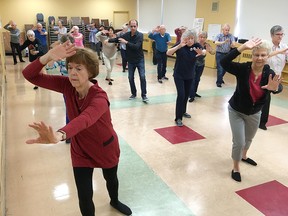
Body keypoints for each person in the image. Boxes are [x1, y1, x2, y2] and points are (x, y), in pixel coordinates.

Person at [22, 41, 132, 216]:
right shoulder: (67, 85)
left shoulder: (99, 97)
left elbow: (85, 119)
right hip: (80, 149)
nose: (72, 72)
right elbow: (30, 75)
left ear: (90, 72)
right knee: (84, 195)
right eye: (70, 67)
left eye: (79, 68)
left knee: (111, 179)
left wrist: (59, 135)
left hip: (105, 147)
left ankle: (115, 200)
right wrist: (47, 57)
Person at [220, 38, 282, 182]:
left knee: (249, 139)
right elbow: (224, 63)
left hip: (255, 113)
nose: (259, 58)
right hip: (236, 110)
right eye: (256, 55)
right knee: (239, 141)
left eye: (263, 55)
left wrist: (276, 88)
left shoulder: (269, 73)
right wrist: (241, 48)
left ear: (268, 56)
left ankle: (244, 156)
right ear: (252, 55)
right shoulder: (243, 69)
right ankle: (236, 167)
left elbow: (278, 86)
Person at [166, 29, 204, 127]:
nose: (190, 40)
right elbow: (168, 53)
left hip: (190, 75)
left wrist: (202, 53)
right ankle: (178, 117)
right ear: (185, 38)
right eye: (188, 38)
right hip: (179, 75)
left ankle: (183, 111)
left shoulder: (196, 46)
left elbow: (203, 51)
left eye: (192, 38)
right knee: (181, 95)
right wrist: (179, 46)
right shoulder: (181, 44)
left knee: (186, 95)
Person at [109, 19, 148, 102]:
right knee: (130, 78)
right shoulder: (126, 35)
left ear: (137, 26)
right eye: (131, 26)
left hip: (139, 59)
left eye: (135, 26)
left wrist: (126, 42)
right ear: (129, 26)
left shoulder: (140, 35)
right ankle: (133, 93)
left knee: (142, 76)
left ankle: (144, 95)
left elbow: (136, 47)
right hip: (130, 60)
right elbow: (118, 39)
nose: (133, 28)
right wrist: (108, 40)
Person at [259, 25, 288, 130]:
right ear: (272, 35)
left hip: (277, 78)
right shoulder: (267, 45)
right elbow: (265, 56)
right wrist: (279, 52)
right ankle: (262, 122)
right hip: (265, 76)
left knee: (274, 91)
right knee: (266, 98)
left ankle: (260, 120)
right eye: (278, 34)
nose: (280, 36)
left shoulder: (285, 47)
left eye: (282, 34)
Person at [189, 31, 215, 102]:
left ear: (206, 38)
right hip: (193, 63)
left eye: (204, 37)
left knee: (197, 79)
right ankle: (191, 95)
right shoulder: (194, 44)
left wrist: (210, 50)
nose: (202, 39)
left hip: (201, 64)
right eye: (200, 37)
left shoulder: (206, 45)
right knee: (193, 79)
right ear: (198, 37)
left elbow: (213, 52)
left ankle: (194, 92)